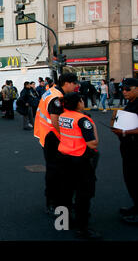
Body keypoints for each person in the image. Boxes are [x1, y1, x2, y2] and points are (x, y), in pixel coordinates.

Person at [57, 92, 101, 240]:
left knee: (65, 191)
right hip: (80, 159)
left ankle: (62, 222)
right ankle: (82, 228)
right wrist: (94, 129)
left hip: (64, 157)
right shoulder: (83, 120)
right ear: (79, 103)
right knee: (84, 194)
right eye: (82, 100)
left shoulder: (63, 116)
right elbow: (93, 143)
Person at [34, 73, 79, 214]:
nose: (76, 86)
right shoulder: (56, 98)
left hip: (46, 134)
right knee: (55, 171)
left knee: (55, 170)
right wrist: (66, 137)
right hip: (53, 137)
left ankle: (54, 200)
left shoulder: (52, 91)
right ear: (66, 83)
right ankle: (53, 202)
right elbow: (55, 120)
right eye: (74, 83)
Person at [110, 78, 138, 224]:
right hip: (128, 149)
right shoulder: (131, 104)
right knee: (130, 179)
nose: (124, 92)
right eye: (123, 89)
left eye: (128, 89)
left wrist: (125, 133)